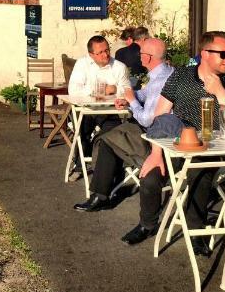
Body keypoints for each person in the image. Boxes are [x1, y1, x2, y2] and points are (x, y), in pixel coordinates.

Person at [125, 31, 225, 251]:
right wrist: (156, 153)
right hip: (177, 143)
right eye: (224, 54)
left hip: (211, 148)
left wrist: (220, 92)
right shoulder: (181, 76)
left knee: (200, 170)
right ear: (205, 54)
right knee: (151, 175)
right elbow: (161, 117)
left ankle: (195, 230)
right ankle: (147, 224)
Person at [73, 37, 174, 220]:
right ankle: (100, 190)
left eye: (141, 53)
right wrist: (132, 96)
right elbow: (144, 94)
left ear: (149, 58)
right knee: (108, 135)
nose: (138, 57)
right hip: (98, 110)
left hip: (155, 136)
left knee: (109, 138)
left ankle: (99, 195)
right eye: (100, 52)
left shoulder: (146, 76)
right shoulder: (163, 73)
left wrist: (132, 101)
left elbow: (147, 119)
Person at [67, 35, 131, 179]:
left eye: (107, 50)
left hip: (109, 110)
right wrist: (98, 90)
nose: (105, 54)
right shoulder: (82, 64)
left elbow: (127, 90)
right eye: (100, 52)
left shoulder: (119, 67)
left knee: (113, 133)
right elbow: (73, 90)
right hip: (86, 108)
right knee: (81, 130)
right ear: (91, 55)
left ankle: (111, 168)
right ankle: (79, 166)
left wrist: (114, 89)